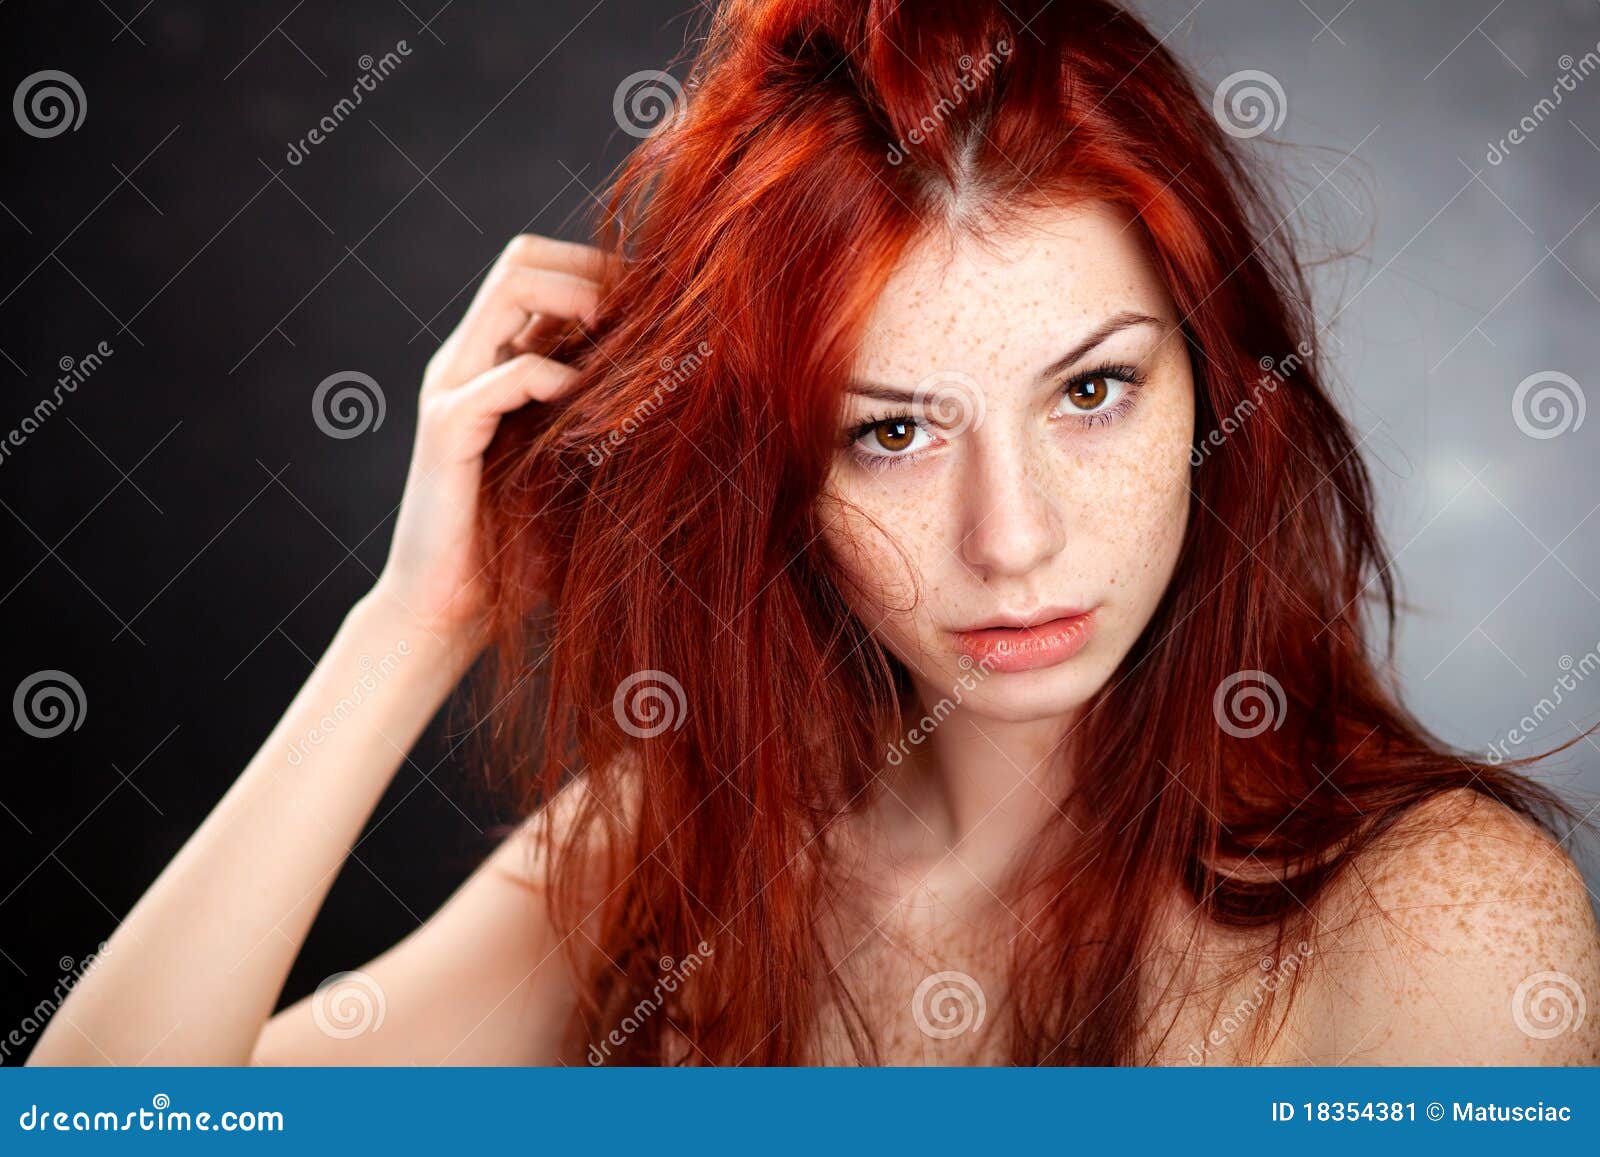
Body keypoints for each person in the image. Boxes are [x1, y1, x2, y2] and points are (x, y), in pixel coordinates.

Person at [30, 0, 1600, 1067]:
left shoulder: (1435, 917)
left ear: (1216, 388)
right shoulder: (679, 842)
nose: (1015, 539)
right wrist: (414, 622)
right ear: (774, 468)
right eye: (892, 430)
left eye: (1095, 390)